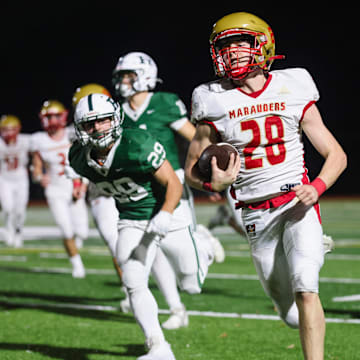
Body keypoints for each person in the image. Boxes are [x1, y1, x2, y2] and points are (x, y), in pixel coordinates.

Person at [184, 12, 347, 360]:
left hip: (297, 201)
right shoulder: (212, 98)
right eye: (224, 45)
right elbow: (190, 172)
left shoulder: (295, 84)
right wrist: (214, 180)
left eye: (240, 43)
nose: (232, 52)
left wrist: (317, 187)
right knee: (289, 311)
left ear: (263, 44)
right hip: (255, 215)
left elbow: (336, 153)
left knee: (306, 285)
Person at [69, 93, 214, 360]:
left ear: (115, 119)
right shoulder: (79, 158)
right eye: (90, 124)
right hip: (132, 219)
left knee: (191, 284)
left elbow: (174, 183)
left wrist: (167, 214)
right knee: (133, 280)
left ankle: (204, 245)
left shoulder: (137, 143)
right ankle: (159, 346)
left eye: (103, 121)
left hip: (168, 212)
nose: (97, 128)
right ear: (80, 128)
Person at [112, 52, 225, 329]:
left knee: (191, 283)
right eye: (122, 76)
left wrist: (209, 174)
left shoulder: (163, 102)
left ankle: (203, 243)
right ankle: (173, 309)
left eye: (130, 75)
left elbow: (196, 139)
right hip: (140, 188)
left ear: (146, 76)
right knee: (145, 252)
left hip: (170, 182)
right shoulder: (117, 111)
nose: (124, 81)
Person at [30, 99, 88, 278]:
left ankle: (76, 244)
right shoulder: (38, 140)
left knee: (82, 231)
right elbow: (36, 167)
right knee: (65, 228)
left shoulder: (72, 133)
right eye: (50, 116)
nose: (53, 119)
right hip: (55, 189)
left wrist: (83, 183)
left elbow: (85, 159)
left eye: (56, 115)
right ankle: (76, 264)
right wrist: (40, 177)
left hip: (74, 186)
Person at [0, 115, 31, 247]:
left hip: (21, 179)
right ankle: (9, 229)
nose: (8, 133)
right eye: (5, 129)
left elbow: (37, 152)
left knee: (20, 209)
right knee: (7, 208)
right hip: (4, 178)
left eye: (11, 129)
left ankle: (18, 231)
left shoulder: (25, 141)